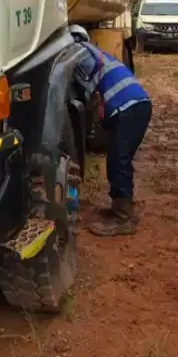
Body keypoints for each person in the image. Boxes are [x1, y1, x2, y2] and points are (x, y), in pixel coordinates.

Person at [69, 25, 152, 237]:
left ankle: (124, 216)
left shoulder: (80, 52)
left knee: (118, 159)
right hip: (135, 106)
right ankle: (120, 204)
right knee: (118, 158)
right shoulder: (97, 54)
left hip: (131, 108)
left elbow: (88, 99)